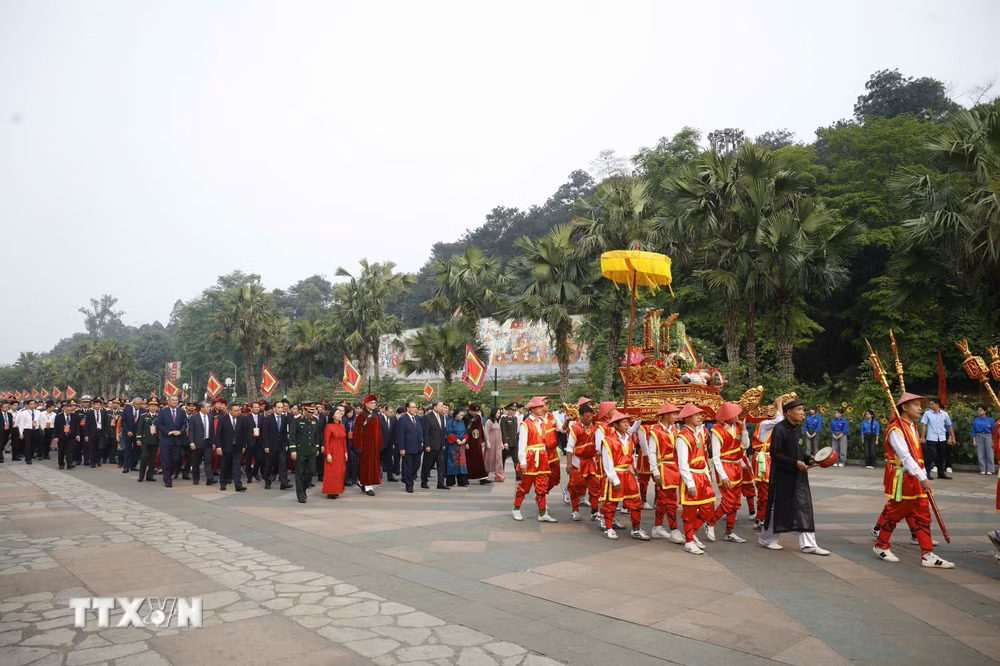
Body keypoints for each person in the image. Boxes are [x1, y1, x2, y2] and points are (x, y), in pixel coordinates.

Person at [873, 393, 954, 568]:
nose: (920, 408)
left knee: (923, 514)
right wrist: (923, 476)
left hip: (916, 476)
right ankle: (881, 545)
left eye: (919, 404)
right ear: (904, 407)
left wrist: (921, 475)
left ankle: (928, 553)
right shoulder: (896, 429)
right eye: (916, 405)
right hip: (904, 478)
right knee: (896, 512)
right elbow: (905, 456)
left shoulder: (912, 426)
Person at [759, 399, 830, 556]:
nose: (802, 412)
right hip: (782, 475)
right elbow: (775, 454)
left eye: (802, 409)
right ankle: (767, 538)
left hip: (797, 475)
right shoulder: (779, 429)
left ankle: (809, 544)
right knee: (779, 507)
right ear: (788, 412)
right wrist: (795, 462)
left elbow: (797, 450)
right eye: (799, 409)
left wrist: (808, 458)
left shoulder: (797, 429)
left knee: (803, 506)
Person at [597, 410, 649, 541]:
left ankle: (636, 529)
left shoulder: (630, 438)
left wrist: (633, 469)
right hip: (615, 473)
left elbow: (631, 456)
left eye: (627, 422)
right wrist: (614, 480)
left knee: (635, 502)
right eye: (624, 422)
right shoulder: (608, 441)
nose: (627, 424)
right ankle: (609, 528)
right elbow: (607, 462)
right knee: (611, 502)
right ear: (615, 425)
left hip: (628, 473)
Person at [675, 403, 717, 554]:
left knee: (708, 508)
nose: (700, 417)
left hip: (702, 476)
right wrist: (689, 483)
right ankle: (689, 541)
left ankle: (691, 534)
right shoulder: (682, 437)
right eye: (697, 414)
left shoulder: (699, 433)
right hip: (691, 476)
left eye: (701, 414)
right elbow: (682, 462)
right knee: (690, 511)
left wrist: (707, 475)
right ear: (687, 418)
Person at [512, 396, 557, 523]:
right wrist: (523, 462)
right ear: (533, 409)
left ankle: (542, 513)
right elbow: (522, 445)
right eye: (540, 407)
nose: (543, 409)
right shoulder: (525, 424)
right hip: (531, 458)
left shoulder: (542, 423)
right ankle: (516, 509)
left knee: (542, 486)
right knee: (524, 486)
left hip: (541, 457)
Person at [710, 402, 750, 544]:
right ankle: (710, 522)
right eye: (735, 415)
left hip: (737, 467)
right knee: (728, 501)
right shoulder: (716, 430)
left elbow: (745, 446)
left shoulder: (738, 427)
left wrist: (744, 428)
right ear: (727, 416)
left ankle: (729, 532)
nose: (738, 417)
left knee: (735, 502)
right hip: (725, 466)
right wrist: (723, 475)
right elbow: (715, 457)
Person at [751, 397, 784, 529]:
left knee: (769, 491)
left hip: (769, 459)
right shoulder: (764, 424)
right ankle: (760, 517)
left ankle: (763, 516)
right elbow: (780, 420)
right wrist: (779, 404)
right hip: (763, 461)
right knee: (764, 491)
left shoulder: (771, 425)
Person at [565, 403, 598, 521]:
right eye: (588, 416)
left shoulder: (595, 427)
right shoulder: (575, 429)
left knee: (595, 486)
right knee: (575, 487)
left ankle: (594, 511)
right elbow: (569, 448)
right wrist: (569, 464)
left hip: (590, 462)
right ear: (581, 417)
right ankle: (575, 510)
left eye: (591, 416)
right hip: (577, 462)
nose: (590, 418)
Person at [289, 401, 321, 503]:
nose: (311, 414)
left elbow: (316, 436)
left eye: (313, 411)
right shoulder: (297, 421)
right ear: (303, 410)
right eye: (309, 411)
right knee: (299, 473)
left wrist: (316, 448)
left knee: (311, 472)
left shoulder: (315, 421)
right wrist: (293, 450)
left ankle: (302, 489)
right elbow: (292, 436)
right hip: (300, 451)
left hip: (311, 451)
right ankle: (301, 495)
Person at [154, 395, 188, 488]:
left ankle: (170, 473)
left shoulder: (181, 412)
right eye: (172, 400)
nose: (174, 402)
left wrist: (180, 431)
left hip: (177, 439)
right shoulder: (163, 412)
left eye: (176, 400)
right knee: (165, 459)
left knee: (176, 459)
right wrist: (168, 432)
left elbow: (185, 424)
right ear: (168, 401)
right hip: (166, 439)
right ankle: (167, 479)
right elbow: (159, 425)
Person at [352, 395, 383, 496]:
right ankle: (367, 485)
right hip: (365, 446)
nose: (374, 405)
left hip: (374, 446)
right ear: (366, 404)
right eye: (372, 403)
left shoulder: (376, 415)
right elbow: (357, 432)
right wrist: (358, 446)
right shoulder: (362, 416)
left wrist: (380, 443)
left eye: (374, 403)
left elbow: (379, 431)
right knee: (366, 466)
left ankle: (366, 483)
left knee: (374, 465)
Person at [920, 398, 954, 479]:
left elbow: (949, 426)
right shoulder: (927, 413)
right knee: (930, 455)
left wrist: (952, 437)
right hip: (931, 437)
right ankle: (927, 473)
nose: (930, 406)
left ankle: (941, 473)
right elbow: (924, 425)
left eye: (932, 404)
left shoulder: (944, 414)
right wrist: (922, 436)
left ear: (937, 404)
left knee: (941, 456)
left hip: (942, 437)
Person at [216, 403, 247, 492]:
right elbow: (218, 434)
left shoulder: (241, 419)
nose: (238, 412)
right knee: (224, 466)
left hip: (237, 447)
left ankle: (238, 485)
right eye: (236, 410)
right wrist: (218, 446)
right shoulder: (222, 419)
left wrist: (244, 445)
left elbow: (244, 434)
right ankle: (223, 483)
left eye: (239, 410)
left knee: (237, 466)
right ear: (229, 410)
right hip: (225, 447)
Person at [394, 401, 424, 493]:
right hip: (407, 447)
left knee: (416, 465)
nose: (415, 409)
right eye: (413, 407)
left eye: (415, 407)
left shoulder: (417, 418)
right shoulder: (403, 419)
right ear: (407, 408)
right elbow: (400, 434)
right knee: (408, 466)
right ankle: (409, 485)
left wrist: (422, 441)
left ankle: (407, 477)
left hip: (417, 447)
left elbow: (419, 431)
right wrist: (401, 448)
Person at [421, 401, 450, 490]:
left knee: (441, 465)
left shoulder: (442, 416)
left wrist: (443, 444)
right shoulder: (427, 417)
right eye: (441, 406)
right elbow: (425, 432)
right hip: (431, 445)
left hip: (440, 446)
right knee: (427, 464)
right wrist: (426, 445)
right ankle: (424, 481)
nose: (442, 408)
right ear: (435, 407)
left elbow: (442, 432)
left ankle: (441, 483)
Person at [263, 400, 292, 490]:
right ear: (274, 408)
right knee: (269, 465)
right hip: (271, 445)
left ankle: (284, 483)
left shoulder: (285, 418)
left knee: (283, 464)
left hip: (281, 446)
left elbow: (285, 432)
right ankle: (267, 481)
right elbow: (265, 433)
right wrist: (266, 446)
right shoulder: (268, 418)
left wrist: (286, 444)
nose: (280, 409)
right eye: (278, 407)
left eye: (282, 408)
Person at [323, 404, 348, 498]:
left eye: (340, 413)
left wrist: (345, 452)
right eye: (337, 413)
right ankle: (330, 491)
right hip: (333, 451)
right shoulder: (329, 426)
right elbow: (326, 441)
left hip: (341, 451)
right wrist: (328, 453)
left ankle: (337, 489)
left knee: (340, 471)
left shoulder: (342, 426)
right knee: (331, 472)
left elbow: (344, 440)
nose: (340, 414)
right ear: (332, 415)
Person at [188, 400, 215, 485]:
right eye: (207, 407)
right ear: (202, 408)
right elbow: (191, 430)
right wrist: (191, 442)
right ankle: (196, 479)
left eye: (209, 407)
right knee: (196, 462)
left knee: (208, 461)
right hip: (197, 443)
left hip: (208, 443)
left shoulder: (210, 417)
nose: (209, 408)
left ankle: (209, 478)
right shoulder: (194, 417)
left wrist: (213, 442)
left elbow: (212, 431)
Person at [464, 404, 491, 485]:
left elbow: (480, 429)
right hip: (468, 442)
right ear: (469, 410)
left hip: (477, 442)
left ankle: (482, 477)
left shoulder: (478, 417)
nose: (475, 413)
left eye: (476, 411)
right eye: (473, 411)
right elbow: (463, 430)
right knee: (468, 460)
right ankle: (466, 477)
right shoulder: (465, 418)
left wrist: (482, 440)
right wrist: (465, 442)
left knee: (479, 460)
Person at [136, 398, 159, 482]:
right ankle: (141, 476)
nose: (153, 408)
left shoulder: (159, 416)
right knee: (144, 457)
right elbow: (139, 428)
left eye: (155, 406)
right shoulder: (143, 416)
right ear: (148, 407)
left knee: (152, 459)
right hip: (145, 440)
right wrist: (138, 439)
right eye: (151, 406)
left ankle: (150, 475)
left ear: (157, 408)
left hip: (155, 440)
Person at [445, 408, 469, 487]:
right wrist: (456, 440)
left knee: (462, 463)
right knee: (452, 462)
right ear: (456, 415)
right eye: (461, 415)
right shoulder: (450, 422)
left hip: (461, 445)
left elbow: (465, 432)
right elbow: (449, 433)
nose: (462, 417)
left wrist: (465, 439)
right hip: (453, 446)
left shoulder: (462, 422)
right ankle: (451, 481)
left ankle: (462, 481)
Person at [54, 400, 79, 470]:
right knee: (61, 451)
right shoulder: (59, 417)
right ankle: (61, 463)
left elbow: (77, 426)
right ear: (64, 409)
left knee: (70, 450)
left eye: (70, 410)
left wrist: (77, 434)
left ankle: (69, 463)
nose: (69, 412)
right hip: (61, 436)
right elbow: (56, 427)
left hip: (71, 436)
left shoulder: (74, 416)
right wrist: (56, 437)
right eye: (68, 410)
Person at [120, 397, 143, 474]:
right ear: (133, 404)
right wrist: (127, 431)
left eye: (140, 404)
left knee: (136, 450)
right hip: (128, 433)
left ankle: (133, 465)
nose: (138, 405)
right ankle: (126, 466)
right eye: (137, 404)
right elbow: (123, 422)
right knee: (127, 449)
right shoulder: (127, 410)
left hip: (138, 434)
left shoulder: (143, 411)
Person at [971, 406, 995, 475]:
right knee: (980, 453)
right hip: (979, 436)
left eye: (981, 410)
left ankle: (990, 469)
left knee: (989, 453)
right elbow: (973, 431)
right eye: (978, 410)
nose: (979, 412)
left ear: (985, 411)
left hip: (988, 436)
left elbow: (993, 431)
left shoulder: (990, 420)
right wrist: (974, 440)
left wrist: (993, 441)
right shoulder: (976, 420)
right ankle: (982, 469)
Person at [499, 403, 520, 480]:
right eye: (512, 410)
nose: (514, 411)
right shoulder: (504, 419)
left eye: (515, 410)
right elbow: (503, 431)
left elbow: (515, 431)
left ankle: (518, 475)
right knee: (503, 459)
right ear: (508, 410)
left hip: (514, 442)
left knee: (516, 459)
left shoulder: (515, 418)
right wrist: (505, 442)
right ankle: (500, 474)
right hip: (507, 442)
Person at [484, 407, 504, 482]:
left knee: (498, 458)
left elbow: (500, 433)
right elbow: (486, 432)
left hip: (498, 443)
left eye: (499, 413)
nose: (499, 414)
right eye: (498, 413)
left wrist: (501, 442)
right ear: (494, 412)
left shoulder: (497, 421)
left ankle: (498, 475)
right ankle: (485, 475)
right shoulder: (489, 421)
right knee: (489, 458)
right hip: (491, 443)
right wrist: (487, 441)